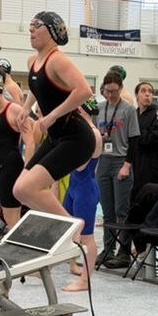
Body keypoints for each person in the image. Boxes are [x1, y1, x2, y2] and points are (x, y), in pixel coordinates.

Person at [12, 11, 96, 218]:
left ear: (51, 32)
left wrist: (52, 116)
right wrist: (25, 108)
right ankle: (59, 226)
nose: (31, 29)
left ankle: (70, 227)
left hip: (76, 138)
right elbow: (38, 86)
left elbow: (84, 90)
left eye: (37, 25)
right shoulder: (34, 61)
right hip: (55, 137)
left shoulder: (57, 59)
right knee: (19, 190)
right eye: (30, 24)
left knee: (31, 187)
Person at [95, 71, 140, 269]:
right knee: (107, 210)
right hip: (103, 161)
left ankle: (123, 252)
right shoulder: (99, 108)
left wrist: (127, 165)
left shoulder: (128, 110)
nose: (111, 95)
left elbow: (134, 141)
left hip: (121, 160)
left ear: (121, 89)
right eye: (107, 91)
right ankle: (108, 248)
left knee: (122, 209)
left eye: (114, 91)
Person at [0, 72, 34, 246]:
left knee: (11, 219)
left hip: (10, 168)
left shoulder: (15, 111)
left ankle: (23, 260)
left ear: (0, 91)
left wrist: (27, 171)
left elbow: (30, 143)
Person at [62, 98, 102, 292]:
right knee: (67, 229)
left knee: (87, 237)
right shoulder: (82, 133)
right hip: (74, 187)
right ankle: (72, 265)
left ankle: (85, 281)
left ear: (83, 112)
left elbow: (80, 164)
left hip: (85, 190)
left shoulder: (93, 134)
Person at [132, 81, 158, 201]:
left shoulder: (157, 114)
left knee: (150, 199)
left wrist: (135, 133)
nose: (147, 94)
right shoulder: (134, 114)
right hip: (136, 165)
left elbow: (155, 138)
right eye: (143, 91)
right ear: (136, 95)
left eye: (150, 92)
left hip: (152, 166)